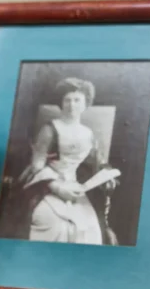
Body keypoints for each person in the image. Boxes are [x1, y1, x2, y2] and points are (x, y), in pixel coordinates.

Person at [15, 77, 119, 245]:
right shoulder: (50, 129)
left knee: (89, 226)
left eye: (77, 100)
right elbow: (37, 165)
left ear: (85, 104)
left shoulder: (88, 134)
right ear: (61, 103)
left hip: (75, 187)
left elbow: (98, 162)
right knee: (56, 225)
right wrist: (56, 187)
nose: (72, 105)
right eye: (67, 100)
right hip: (45, 185)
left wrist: (108, 175)